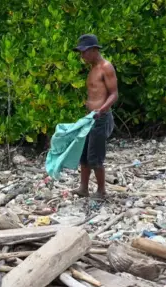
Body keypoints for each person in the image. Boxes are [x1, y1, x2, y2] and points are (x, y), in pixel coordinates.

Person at [72, 34, 118, 199]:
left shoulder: (106, 67)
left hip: (101, 117)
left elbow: (114, 94)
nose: (82, 56)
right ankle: (83, 188)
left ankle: (101, 191)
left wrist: (102, 109)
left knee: (95, 155)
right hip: (89, 118)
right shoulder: (92, 68)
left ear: (93, 50)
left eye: (84, 52)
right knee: (84, 154)